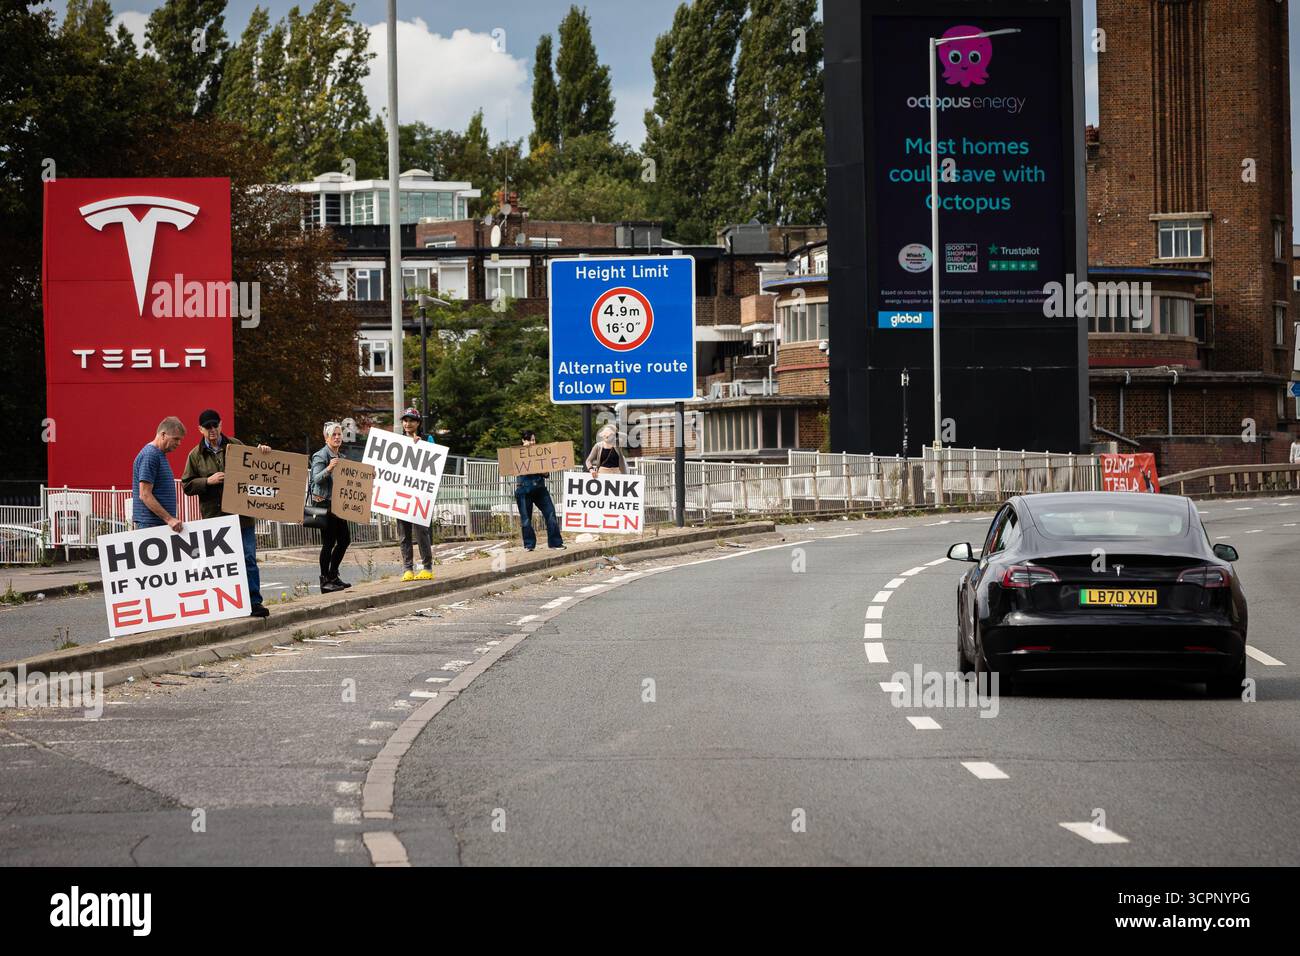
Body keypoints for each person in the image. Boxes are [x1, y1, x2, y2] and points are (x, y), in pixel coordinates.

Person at [180, 409, 273, 618]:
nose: (212, 430)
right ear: (200, 429)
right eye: (208, 427)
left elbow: (257, 467)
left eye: (215, 425)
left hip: (242, 516)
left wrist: (263, 452)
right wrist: (207, 481)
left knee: (248, 558)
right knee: (220, 563)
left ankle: (254, 602)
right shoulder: (195, 456)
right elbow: (186, 485)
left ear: (221, 425)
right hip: (215, 518)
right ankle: (225, 605)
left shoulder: (236, 446)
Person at [310, 422, 352, 593]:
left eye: (339, 434)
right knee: (328, 542)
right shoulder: (320, 456)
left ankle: (333, 576)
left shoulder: (341, 456)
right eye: (333, 434)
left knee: (344, 540)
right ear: (326, 437)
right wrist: (329, 467)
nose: (337, 437)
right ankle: (324, 580)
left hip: (338, 504)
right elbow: (316, 479)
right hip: (324, 504)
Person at [397, 408, 434, 580]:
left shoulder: (428, 439)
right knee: (404, 533)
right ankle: (407, 569)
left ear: (418, 423)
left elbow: (435, 461)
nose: (407, 424)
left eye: (411, 420)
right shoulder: (396, 441)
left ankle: (427, 566)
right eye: (405, 420)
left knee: (421, 531)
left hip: (420, 494)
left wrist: (422, 447)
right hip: (401, 493)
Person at [132, 417, 186, 531]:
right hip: (150, 526)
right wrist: (169, 519)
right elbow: (145, 494)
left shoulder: (158, 454)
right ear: (163, 435)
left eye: (180, 440)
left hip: (156, 525)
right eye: (176, 439)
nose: (179, 443)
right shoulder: (150, 455)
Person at [515, 429, 564, 552]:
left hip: (540, 489)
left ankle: (555, 543)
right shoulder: (517, 455)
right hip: (524, 491)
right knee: (526, 519)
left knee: (551, 513)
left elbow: (546, 473)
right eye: (529, 440)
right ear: (523, 441)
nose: (532, 442)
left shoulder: (540, 453)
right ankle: (529, 545)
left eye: (533, 440)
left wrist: (538, 468)